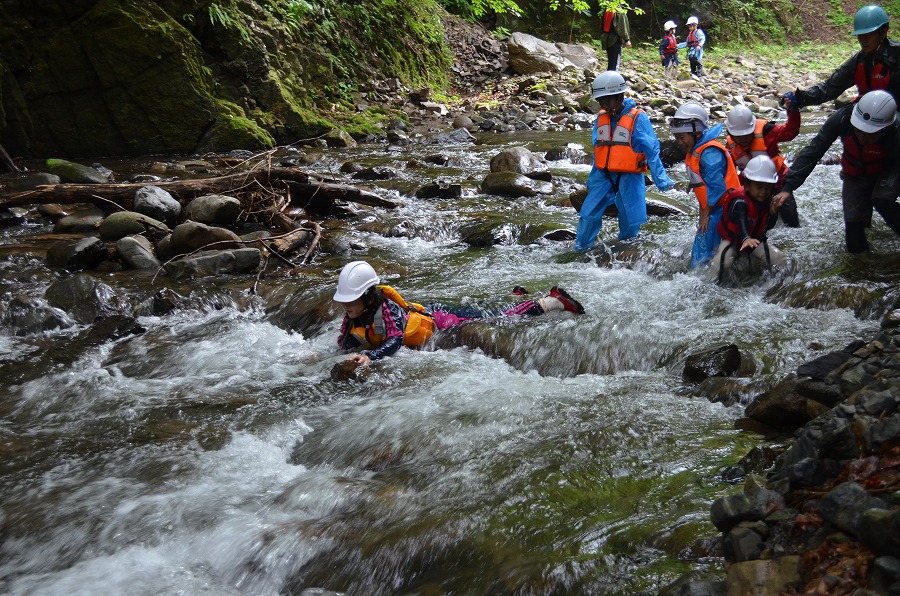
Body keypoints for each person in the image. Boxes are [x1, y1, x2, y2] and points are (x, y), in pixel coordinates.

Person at [333, 261, 585, 365]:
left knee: (497, 319)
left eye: (350, 300)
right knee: (489, 311)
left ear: (368, 296)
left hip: (442, 319)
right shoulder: (355, 312)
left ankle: (552, 302)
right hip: (432, 314)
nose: (346, 305)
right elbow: (345, 339)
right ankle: (515, 297)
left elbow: (395, 339)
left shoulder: (387, 308)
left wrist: (371, 357)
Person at [772, 90, 900, 253]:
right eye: (858, 130)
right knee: (854, 238)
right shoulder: (842, 118)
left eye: (869, 134)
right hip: (857, 171)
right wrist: (787, 188)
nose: (861, 137)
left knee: (882, 201)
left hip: (891, 168)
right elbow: (814, 150)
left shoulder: (897, 131)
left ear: (885, 129)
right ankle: (862, 273)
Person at [575, 71, 676, 251]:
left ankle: (625, 249)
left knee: (630, 217)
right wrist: (592, 177)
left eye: (607, 100)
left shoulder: (639, 118)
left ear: (619, 97)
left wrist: (661, 178)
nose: (603, 104)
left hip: (630, 176)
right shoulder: (602, 118)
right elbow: (598, 147)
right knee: (588, 213)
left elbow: (651, 150)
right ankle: (581, 249)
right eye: (601, 101)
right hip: (603, 175)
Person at [783, 4, 900, 108]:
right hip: (868, 113)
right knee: (832, 124)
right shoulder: (859, 61)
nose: (863, 40)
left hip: (895, 113)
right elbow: (829, 88)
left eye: (868, 35)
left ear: (884, 31)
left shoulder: (897, 55)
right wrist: (800, 97)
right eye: (860, 35)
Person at [670, 101, 741, 268]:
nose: (679, 143)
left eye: (682, 138)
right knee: (706, 248)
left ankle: (699, 281)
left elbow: (717, 188)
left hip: (723, 208)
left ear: (697, 132)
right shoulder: (699, 149)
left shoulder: (709, 153)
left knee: (702, 252)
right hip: (715, 207)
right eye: (676, 138)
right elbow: (702, 180)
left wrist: (705, 214)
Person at [710, 156, 789, 283]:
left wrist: (773, 213)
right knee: (722, 262)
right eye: (759, 187)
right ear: (747, 185)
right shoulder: (739, 201)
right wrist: (746, 238)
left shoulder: (767, 200)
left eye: (767, 187)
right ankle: (709, 284)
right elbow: (740, 221)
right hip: (733, 241)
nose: (763, 191)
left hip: (754, 241)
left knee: (779, 259)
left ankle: (777, 287)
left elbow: (766, 227)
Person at [724, 103, 801, 226]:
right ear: (731, 134)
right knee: (762, 226)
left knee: (792, 223)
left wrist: (793, 111)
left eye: (746, 135)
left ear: (753, 129)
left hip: (778, 182)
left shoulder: (767, 132)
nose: (743, 139)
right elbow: (728, 171)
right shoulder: (730, 146)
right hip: (754, 188)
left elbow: (791, 132)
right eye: (739, 136)